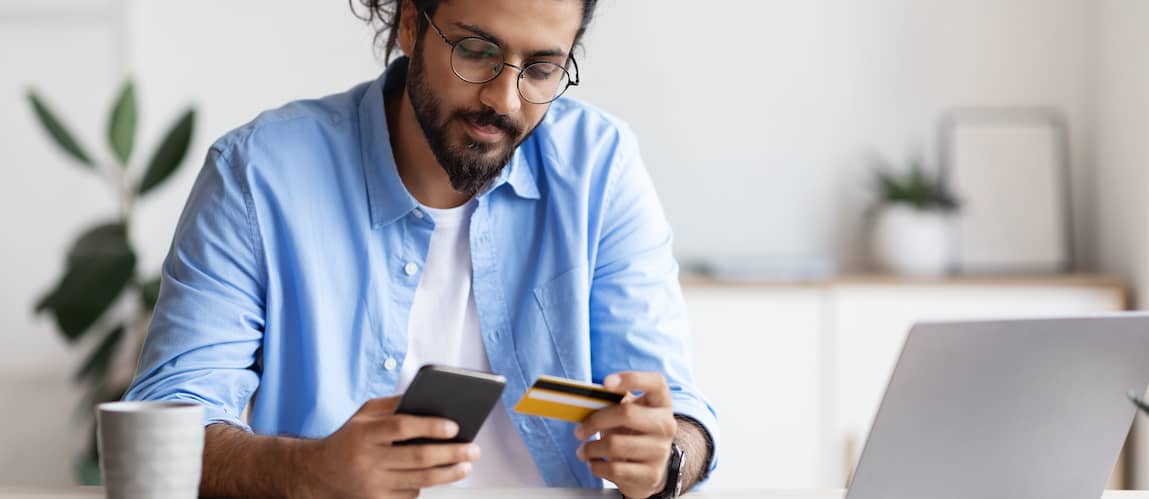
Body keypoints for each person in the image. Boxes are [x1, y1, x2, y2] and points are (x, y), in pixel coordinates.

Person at [124, 0, 718, 497]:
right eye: (477, 52)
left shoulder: (600, 167)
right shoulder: (258, 174)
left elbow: (684, 421)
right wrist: (308, 471)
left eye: (540, 69)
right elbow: (164, 429)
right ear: (410, 23)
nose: (504, 100)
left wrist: (664, 458)